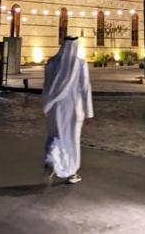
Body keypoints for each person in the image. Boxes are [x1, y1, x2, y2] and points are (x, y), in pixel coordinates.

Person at [42, 36, 94, 184]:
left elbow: (46, 85)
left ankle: (50, 160)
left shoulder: (52, 62)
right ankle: (72, 172)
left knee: (55, 136)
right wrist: (89, 111)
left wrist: (45, 104)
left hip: (55, 108)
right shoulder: (80, 64)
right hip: (74, 109)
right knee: (72, 140)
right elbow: (85, 88)